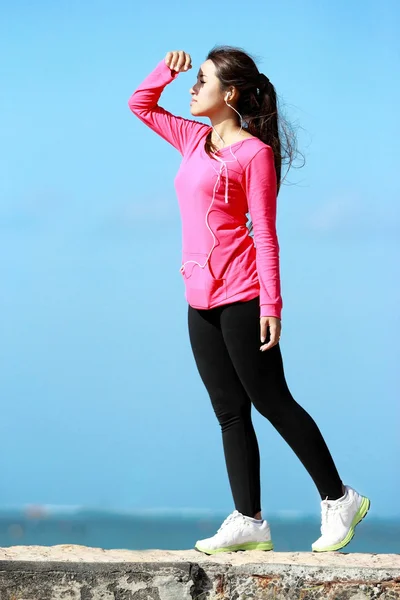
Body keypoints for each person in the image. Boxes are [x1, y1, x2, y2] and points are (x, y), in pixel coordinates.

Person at [127, 46, 370, 554]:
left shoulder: (253, 154)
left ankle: (339, 498)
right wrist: (163, 73)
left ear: (229, 93)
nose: (192, 88)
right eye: (191, 81)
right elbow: (141, 105)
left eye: (201, 80)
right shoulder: (193, 138)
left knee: (271, 400)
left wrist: (272, 306)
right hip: (199, 296)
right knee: (229, 412)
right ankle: (249, 519)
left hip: (242, 294)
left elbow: (266, 234)